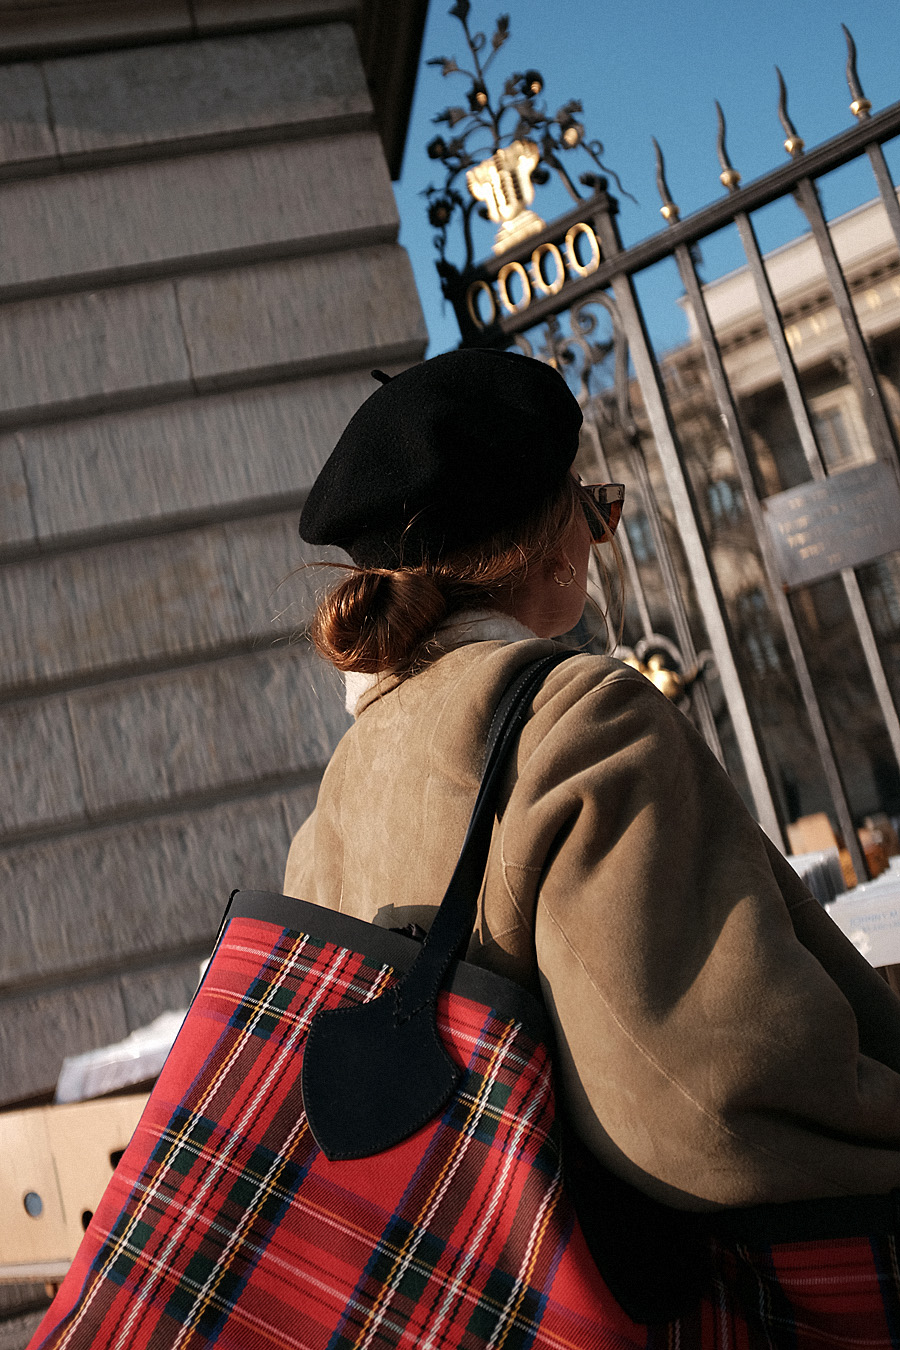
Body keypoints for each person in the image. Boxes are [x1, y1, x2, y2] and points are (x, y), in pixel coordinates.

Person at [284, 348, 900, 1338]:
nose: (598, 531)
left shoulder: (348, 778)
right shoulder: (580, 718)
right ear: (546, 542)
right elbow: (714, 1104)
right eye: (588, 502)